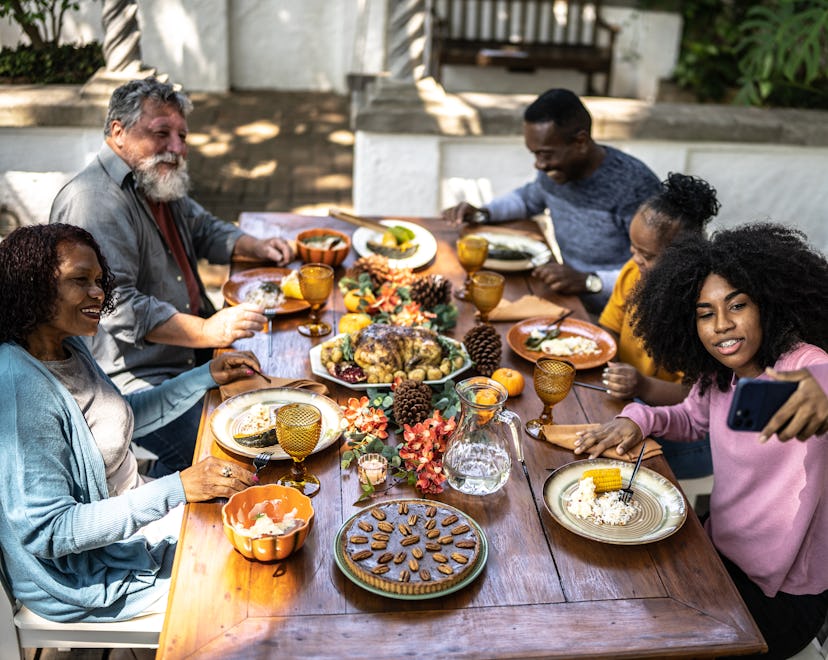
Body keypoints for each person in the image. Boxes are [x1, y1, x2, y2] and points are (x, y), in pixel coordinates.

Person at [573, 223, 828, 659]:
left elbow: (819, 381)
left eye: (737, 305)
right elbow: (690, 419)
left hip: (785, 593)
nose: (722, 325)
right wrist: (638, 417)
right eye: (705, 313)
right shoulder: (717, 376)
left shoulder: (805, 365)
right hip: (717, 552)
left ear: (766, 303)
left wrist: (817, 390)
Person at [0, 223, 259, 622]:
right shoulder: (22, 389)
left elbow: (121, 418)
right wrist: (179, 487)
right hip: (85, 575)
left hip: (131, 517)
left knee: (255, 516)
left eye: (99, 280)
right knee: (245, 576)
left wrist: (206, 374)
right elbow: (50, 532)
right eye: (79, 281)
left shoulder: (67, 346)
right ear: (33, 286)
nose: (98, 293)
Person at [49, 77, 294, 475]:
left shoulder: (154, 177)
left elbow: (204, 229)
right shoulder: (95, 200)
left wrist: (255, 245)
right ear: (118, 132)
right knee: (234, 456)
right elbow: (115, 304)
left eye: (182, 135)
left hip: (186, 357)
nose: (178, 148)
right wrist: (206, 332)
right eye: (161, 133)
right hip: (130, 380)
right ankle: (170, 513)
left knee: (278, 391)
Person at [441, 88, 660, 312]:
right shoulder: (556, 173)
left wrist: (589, 281)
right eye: (534, 154)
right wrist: (481, 213)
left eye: (545, 154)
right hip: (569, 298)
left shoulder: (635, 186)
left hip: (620, 313)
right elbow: (527, 200)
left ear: (580, 141)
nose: (539, 165)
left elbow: (659, 270)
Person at [598, 172, 720, 479]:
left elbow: (694, 401)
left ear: (684, 257)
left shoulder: (705, 310)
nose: (634, 258)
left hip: (690, 431)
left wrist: (642, 385)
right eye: (633, 248)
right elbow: (609, 330)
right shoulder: (633, 274)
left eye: (647, 255)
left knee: (614, 454)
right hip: (630, 398)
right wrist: (608, 362)